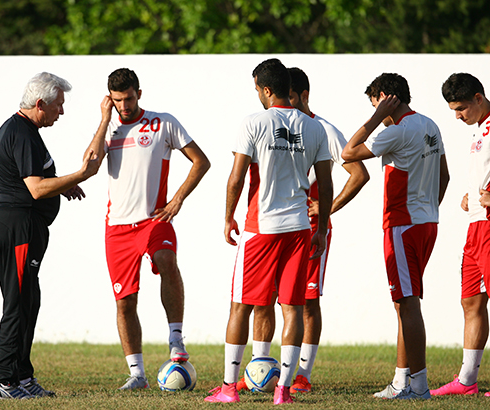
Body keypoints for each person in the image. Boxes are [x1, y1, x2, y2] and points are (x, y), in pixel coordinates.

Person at [204, 58, 332, 405]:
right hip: (299, 229)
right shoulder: (314, 127)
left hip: (260, 228)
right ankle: (284, 391)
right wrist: (320, 229)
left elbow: (236, 176)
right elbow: (327, 182)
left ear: (265, 89)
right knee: (292, 307)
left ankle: (229, 389)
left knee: (241, 306)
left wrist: (228, 217)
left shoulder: (254, 122)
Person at [237, 67, 370, 394]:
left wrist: (327, 209)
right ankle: (260, 368)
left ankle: (303, 376)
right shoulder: (268, 123)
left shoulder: (321, 129)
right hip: (270, 227)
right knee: (263, 298)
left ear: (304, 95)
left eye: (293, 97)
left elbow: (358, 173)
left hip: (307, 229)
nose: (287, 103)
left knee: (305, 302)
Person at [86, 68, 210, 390]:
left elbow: (201, 161)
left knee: (168, 261)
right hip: (117, 229)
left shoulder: (163, 122)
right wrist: (103, 120)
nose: (124, 106)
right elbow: (91, 163)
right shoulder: (109, 127)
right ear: (110, 100)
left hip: (155, 220)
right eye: (117, 100)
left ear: (139, 93)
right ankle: (137, 374)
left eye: (128, 98)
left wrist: (177, 199)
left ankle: (176, 340)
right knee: (125, 302)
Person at [0, 72, 101, 399]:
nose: (61, 112)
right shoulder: (20, 132)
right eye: (58, 105)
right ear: (40, 104)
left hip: (24, 226)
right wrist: (79, 174)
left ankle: (22, 378)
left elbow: (36, 181)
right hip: (16, 225)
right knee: (17, 301)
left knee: (29, 301)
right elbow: (36, 189)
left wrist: (63, 186)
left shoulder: (26, 130)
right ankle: (4, 382)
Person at [342, 73, 450, 400]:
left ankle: (418, 386)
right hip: (426, 222)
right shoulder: (430, 124)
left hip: (403, 225)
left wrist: (375, 118)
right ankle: (402, 380)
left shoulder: (397, 131)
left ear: (387, 98)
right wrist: (428, 209)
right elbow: (444, 175)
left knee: (407, 303)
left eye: (377, 103)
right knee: (405, 302)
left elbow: (349, 152)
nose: (378, 111)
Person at [430, 73, 490, 396]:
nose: (457, 116)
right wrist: (471, 194)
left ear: (478, 99)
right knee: (470, 300)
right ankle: (467, 380)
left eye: (461, 108)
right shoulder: (479, 127)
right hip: (476, 225)